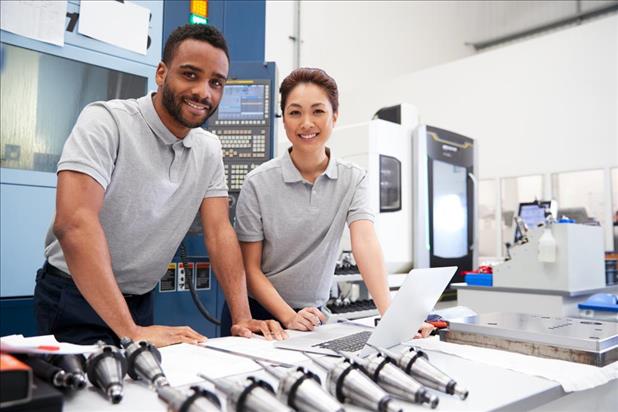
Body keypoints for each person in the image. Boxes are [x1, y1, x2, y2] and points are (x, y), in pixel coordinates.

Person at [33, 24, 285, 347]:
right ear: (162, 73)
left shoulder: (208, 149)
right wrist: (131, 331)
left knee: (142, 393)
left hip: (139, 302)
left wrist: (242, 316)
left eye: (216, 82)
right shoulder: (106, 122)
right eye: (190, 75)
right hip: (74, 297)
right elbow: (74, 224)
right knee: (85, 396)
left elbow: (220, 232)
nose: (203, 93)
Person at [221, 67, 434, 338]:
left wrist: (391, 315)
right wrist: (288, 316)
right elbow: (249, 268)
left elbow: (365, 242)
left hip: (313, 315)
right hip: (261, 316)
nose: (306, 123)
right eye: (295, 112)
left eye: (318, 111)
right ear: (284, 119)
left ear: (335, 116)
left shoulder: (353, 179)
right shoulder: (258, 183)